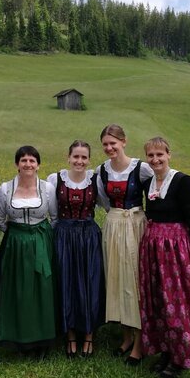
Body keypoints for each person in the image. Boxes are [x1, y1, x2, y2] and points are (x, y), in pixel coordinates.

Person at [138, 136, 190, 378]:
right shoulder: (148, 183)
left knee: (177, 303)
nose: (155, 159)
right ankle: (167, 352)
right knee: (159, 301)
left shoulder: (183, 181)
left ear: (169, 154)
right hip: (153, 249)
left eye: (160, 154)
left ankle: (181, 357)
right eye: (151, 155)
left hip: (176, 251)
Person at [0, 146, 58, 358]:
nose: (28, 164)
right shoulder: (5, 188)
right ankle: (18, 339)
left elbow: (54, 218)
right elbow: (0, 220)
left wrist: (39, 236)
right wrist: (18, 235)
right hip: (14, 245)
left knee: (42, 289)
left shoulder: (47, 188)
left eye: (32, 160)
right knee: (16, 289)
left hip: (41, 242)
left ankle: (42, 341)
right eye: (23, 160)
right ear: (17, 164)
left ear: (38, 165)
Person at [97, 124, 153, 365]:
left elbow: (157, 191)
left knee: (135, 280)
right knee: (117, 279)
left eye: (113, 143)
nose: (110, 148)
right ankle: (126, 336)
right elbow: (103, 200)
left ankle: (140, 342)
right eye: (105, 144)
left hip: (135, 225)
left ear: (124, 142)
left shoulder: (141, 168)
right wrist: (116, 217)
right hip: (113, 225)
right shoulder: (102, 171)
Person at [47, 140, 105, 358]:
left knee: (90, 283)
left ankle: (89, 334)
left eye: (84, 157)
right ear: (68, 157)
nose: (79, 161)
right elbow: (52, 212)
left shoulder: (95, 180)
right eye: (76, 156)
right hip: (63, 236)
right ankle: (70, 334)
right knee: (66, 282)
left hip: (89, 238)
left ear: (89, 160)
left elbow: (108, 205)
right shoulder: (55, 179)